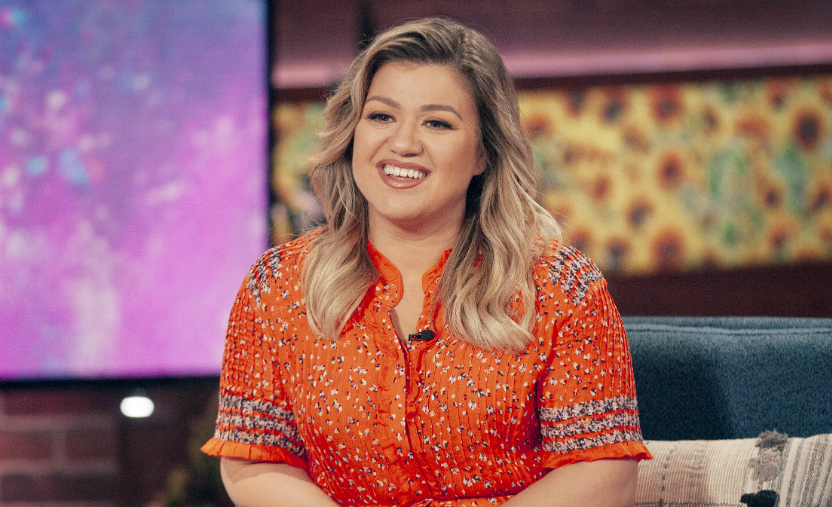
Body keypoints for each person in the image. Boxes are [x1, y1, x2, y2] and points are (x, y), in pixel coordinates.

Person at [201, 17, 651, 507]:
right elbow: (255, 461)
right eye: (381, 116)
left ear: (483, 153)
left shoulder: (560, 286)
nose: (403, 143)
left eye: (437, 123)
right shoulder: (278, 285)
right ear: (352, 133)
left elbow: (604, 475)